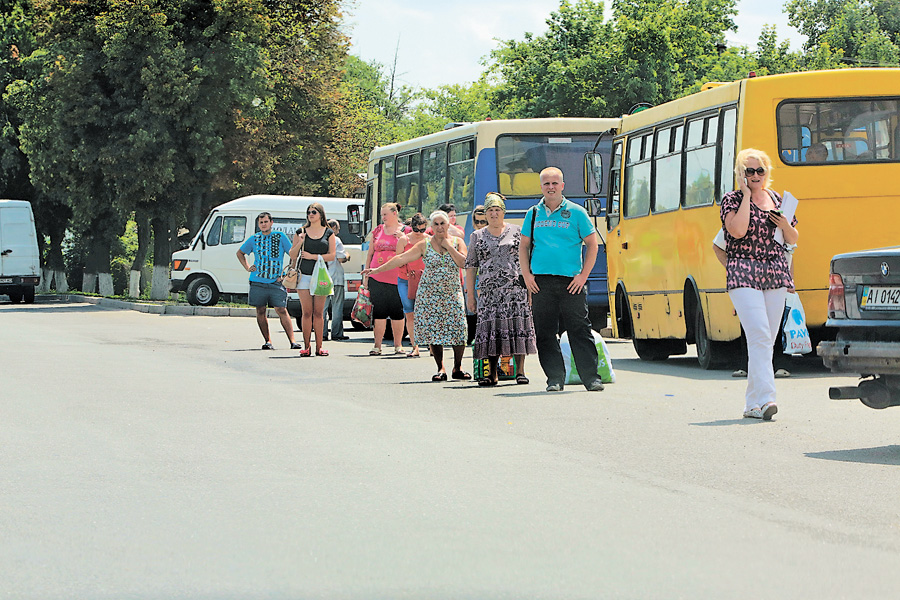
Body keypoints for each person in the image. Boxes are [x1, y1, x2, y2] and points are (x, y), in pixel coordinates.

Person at [721, 148, 799, 420]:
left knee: (766, 340)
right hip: (743, 271)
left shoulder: (778, 199)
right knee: (759, 335)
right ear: (741, 175)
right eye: (749, 171)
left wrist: (784, 222)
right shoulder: (731, 200)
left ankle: (752, 404)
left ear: (767, 173)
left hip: (775, 272)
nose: (755, 176)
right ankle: (767, 399)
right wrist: (745, 196)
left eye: (759, 171)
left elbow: (792, 238)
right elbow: (737, 231)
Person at [519, 167, 605, 392]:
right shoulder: (533, 213)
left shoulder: (576, 212)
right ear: (541, 187)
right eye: (546, 184)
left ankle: (591, 378)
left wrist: (583, 276)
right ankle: (555, 378)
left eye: (555, 183)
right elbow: (524, 246)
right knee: (545, 332)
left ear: (563, 186)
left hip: (571, 282)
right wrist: (527, 276)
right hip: (541, 282)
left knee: (579, 329)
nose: (551, 187)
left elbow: (593, 245)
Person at [363, 210, 471, 382]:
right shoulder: (424, 244)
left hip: (452, 292)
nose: (439, 227)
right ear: (431, 227)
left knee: (459, 328)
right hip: (429, 293)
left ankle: (457, 367)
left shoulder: (457, 242)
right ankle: (440, 367)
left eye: (442, 223)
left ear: (448, 225)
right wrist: (376, 270)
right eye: (435, 224)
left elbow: (463, 263)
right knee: (434, 331)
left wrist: (449, 246)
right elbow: (401, 259)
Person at [465, 193, 537, 386]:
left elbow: (528, 262)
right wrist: (471, 295)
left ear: (503, 212)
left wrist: (530, 289)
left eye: (497, 210)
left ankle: (520, 371)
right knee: (491, 332)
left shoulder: (517, 231)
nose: (494, 214)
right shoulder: (477, 236)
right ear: (485, 214)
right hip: (489, 294)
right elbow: (471, 266)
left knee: (518, 329)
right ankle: (491, 374)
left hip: (515, 291)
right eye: (490, 211)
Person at [236, 212, 301, 350]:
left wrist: (289, 272)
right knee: (260, 310)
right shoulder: (254, 238)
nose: (264, 224)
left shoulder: (280, 236)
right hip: (257, 280)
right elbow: (240, 253)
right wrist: (248, 267)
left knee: (281, 309)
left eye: (266, 221)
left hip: (276, 280)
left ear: (271, 223)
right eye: (261, 222)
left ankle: (293, 341)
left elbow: (293, 254)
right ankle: (268, 341)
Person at [288, 202, 336, 357]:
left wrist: (314, 256)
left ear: (321, 214)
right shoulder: (301, 231)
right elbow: (292, 254)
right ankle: (307, 346)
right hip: (304, 275)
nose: (311, 214)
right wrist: (301, 241)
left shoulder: (329, 233)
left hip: (321, 275)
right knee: (306, 312)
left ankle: (319, 347)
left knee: (319, 313)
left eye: (314, 212)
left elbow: (332, 255)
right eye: (308, 212)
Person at [363, 202, 409, 355]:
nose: (383, 218)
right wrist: (366, 276)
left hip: (398, 278)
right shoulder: (378, 230)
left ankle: (398, 345)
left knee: (397, 312)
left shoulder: (405, 230)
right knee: (379, 312)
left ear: (395, 214)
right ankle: (377, 345)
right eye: (382, 215)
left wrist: (403, 238)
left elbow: (413, 250)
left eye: (385, 214)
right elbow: (370, 253)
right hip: (377, 276)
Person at [396, 213, 428, 358]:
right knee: (410, 312)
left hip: (425, 279)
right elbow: (399, 260)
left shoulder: (429, 239)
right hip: (406, 279)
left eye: (423, 230)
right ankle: (415, 346)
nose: (420, 233)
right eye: (417, 230)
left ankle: (432, 345)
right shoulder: (404, 240)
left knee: (427, 313)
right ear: (411, 227)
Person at [323, 219, 350, 342]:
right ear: (333, 227)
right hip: (336, 278)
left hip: (322, 278)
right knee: (337, 307)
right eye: (337, 229)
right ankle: (336, 333)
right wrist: (347, 256)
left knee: (322, 308)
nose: (338, 232)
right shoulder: (335, 239)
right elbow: (340, 258)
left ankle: (322, 332)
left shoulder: (320, 239)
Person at [465, 205, 488, 345]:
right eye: (477, 221)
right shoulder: (474, 236)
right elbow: (471, 264)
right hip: (479, 277)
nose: (479, 225)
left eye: (483, 222)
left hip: (489, 276)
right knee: (481, 309)